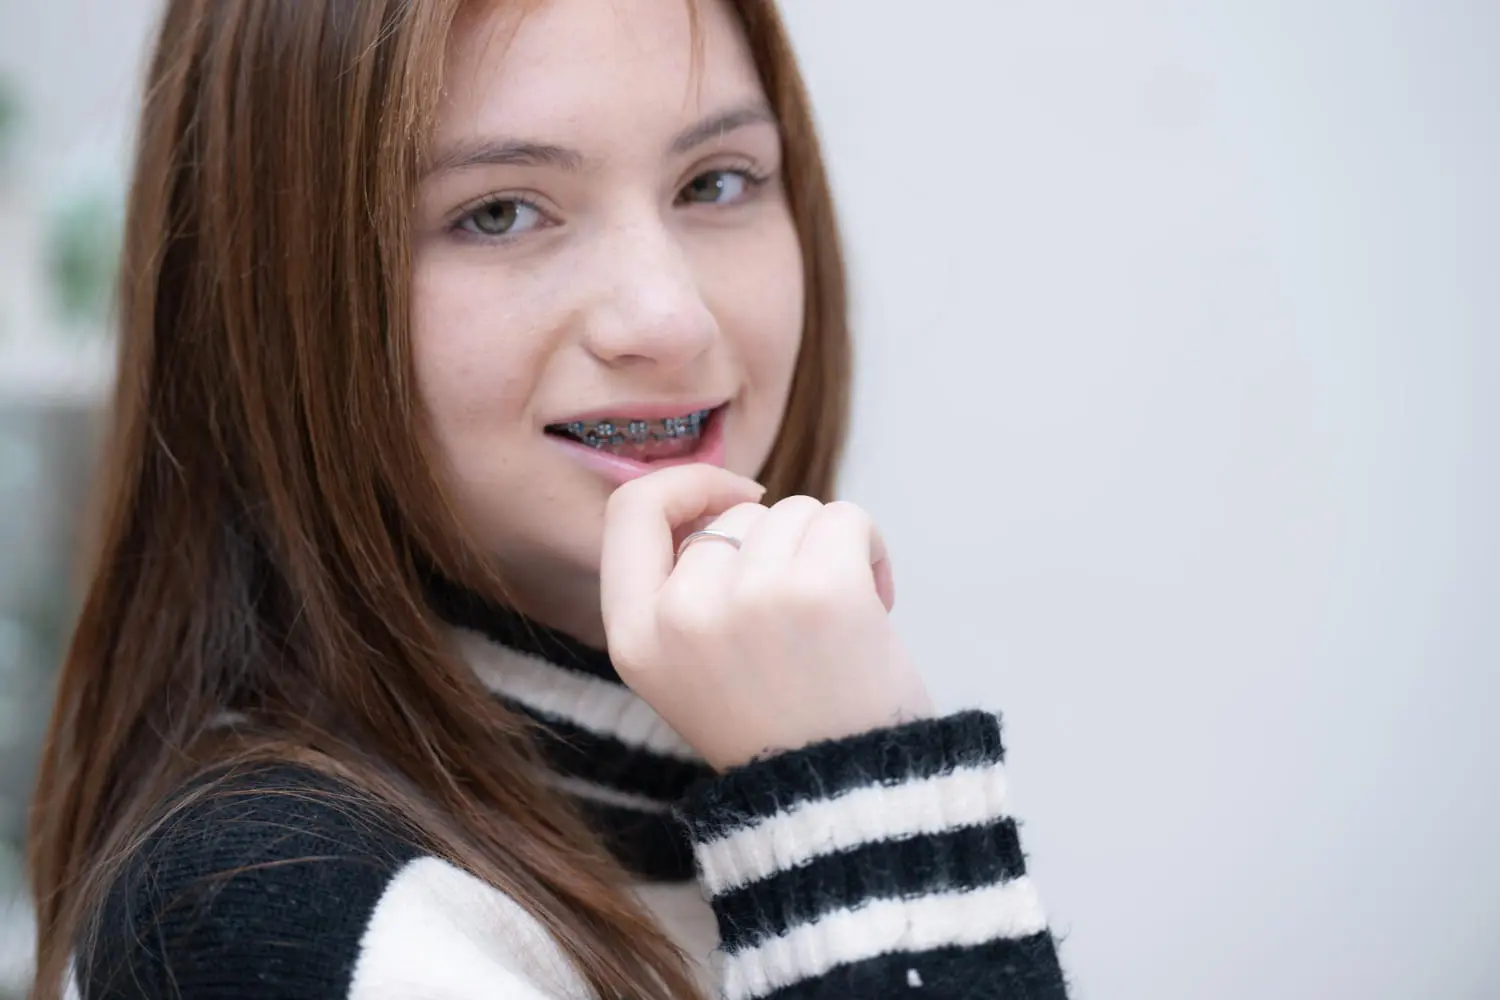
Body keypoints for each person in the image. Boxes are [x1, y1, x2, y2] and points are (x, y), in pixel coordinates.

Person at [27, 1, 1069, 998]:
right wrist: (857, 809)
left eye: (715, 182)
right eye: (499, 212)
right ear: (267, 292)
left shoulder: (732, 773)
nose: (666, 317)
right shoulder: (266, 915)